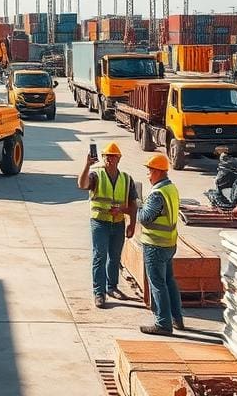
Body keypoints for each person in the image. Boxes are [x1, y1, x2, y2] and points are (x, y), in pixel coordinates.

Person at [78, 141, 137, 309]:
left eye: (113, 156)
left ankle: (112, 288)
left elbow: (133, 205)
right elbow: (82, 185)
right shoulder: (96, 175)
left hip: (118, 224)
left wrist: (131, 223)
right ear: (103, 158)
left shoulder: (126, 179)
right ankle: (99, 292)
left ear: (119, 159)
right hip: (99, 223)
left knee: (115, 258)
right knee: (100, 256)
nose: (109, 159)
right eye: (106, 157)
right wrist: (86, 165)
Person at [138, 153, 184, 335]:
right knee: (169, 282)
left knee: (157, 284)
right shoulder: (171, 189)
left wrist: (138, 204)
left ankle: (163, 324)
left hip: (155, 245)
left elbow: (145, 218)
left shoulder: (157, 194)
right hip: (169, 244)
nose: (148, 175)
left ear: (158, 172)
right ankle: (177, 318)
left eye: (149, 171)